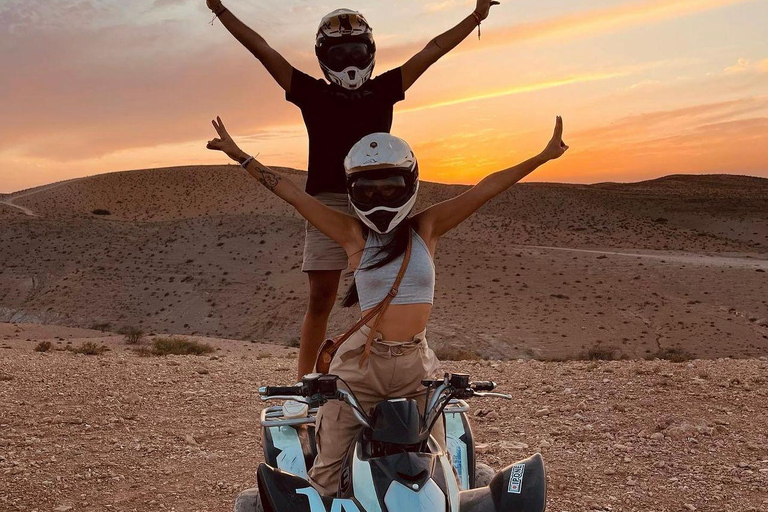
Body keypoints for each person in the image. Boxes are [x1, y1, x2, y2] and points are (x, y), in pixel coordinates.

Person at [206, 115, 569, 496]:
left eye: (389, 188)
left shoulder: (426, 228)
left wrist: (542, 157)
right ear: (353, 191)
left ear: (408, 185)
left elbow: (485, 189)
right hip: (363, 365)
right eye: (368, 191)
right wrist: (240, 156)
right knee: (327, 474)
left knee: (441, 467)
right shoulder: (350, 233)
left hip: (417, 364)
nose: (379, 199)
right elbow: (294, 194)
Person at [205, 0, 501, 381]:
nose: (349, 60)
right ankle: (306, 384)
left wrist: (476, 16)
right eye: (339, 52)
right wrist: (220, 9)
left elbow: (433, 50)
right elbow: (263, 50)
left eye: (356, 51)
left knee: (385, 296)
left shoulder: (383, 90)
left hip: (381, 201)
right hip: (328, 201)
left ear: (370, 53)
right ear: (324, 56)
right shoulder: (311, 93)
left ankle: (381, 373)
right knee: (321, 298)